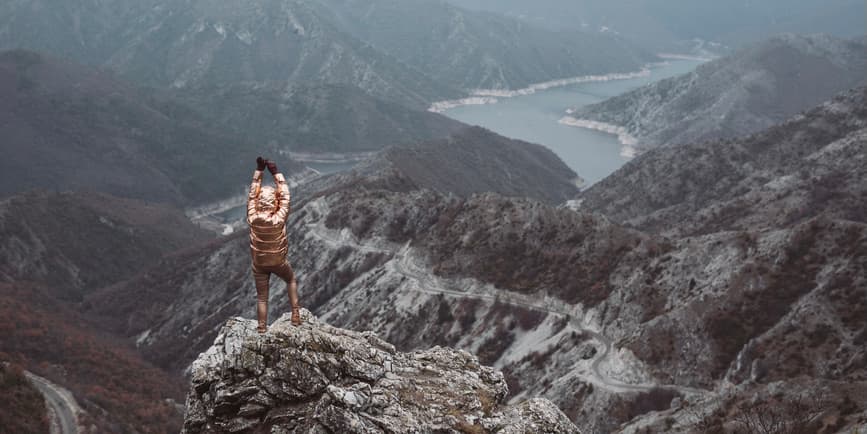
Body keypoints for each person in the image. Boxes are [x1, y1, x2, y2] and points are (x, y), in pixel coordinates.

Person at [247, 156, 301, 332]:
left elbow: (251, 195)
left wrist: (259, 171)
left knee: (262, 297)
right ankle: (295, 314)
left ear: (258, 202)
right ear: (275, 202)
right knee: (290, 279)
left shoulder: (253, 217)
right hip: (278, 261)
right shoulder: (279, 218)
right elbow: (285, 195)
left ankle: (262, 326)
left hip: (259, 263)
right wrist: (276, 172)